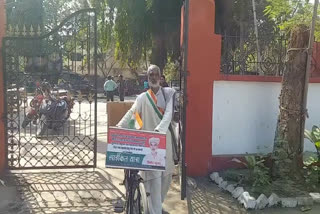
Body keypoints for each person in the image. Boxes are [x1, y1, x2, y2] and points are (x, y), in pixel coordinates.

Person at [117, 64, 175, 214]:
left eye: (156, 74)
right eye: (150, 75)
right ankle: (154, 210)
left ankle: (156, 205)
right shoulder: (143, 98)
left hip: (166, 142)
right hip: (151, 145)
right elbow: (133, 115)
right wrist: (119, 128)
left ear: (161, 77)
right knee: (154, 180)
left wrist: (159, 131)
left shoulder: (169, 94)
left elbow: (168, 115)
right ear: (148, 78)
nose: (153, 77)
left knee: (166, 178)